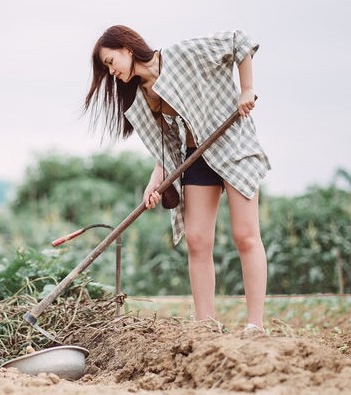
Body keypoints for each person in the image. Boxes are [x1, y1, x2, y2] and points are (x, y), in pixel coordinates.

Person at [84, 26, 270, 333]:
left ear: (128, 49)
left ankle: (255, 326)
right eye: (106, 67)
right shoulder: (144, 96)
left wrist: (246, 89)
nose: (111, 71)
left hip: (233, 145)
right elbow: (167, 148)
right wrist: (155, 182)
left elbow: (240, 42)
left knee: (245, 235)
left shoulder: (183, 55)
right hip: (195, 157)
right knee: (197, 241)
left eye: (110, 61)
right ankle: (206, 326)